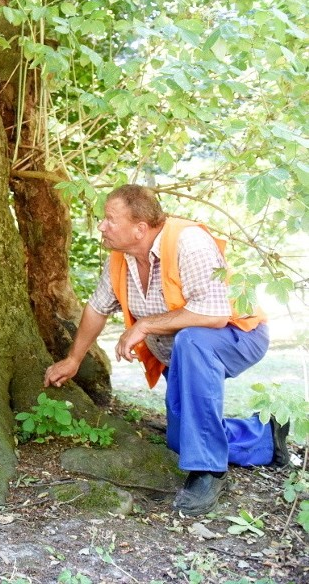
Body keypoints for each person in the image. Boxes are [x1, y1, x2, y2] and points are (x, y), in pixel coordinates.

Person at [44, 185, 290, 516]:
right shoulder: (121, 258)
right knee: (179, 441)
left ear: (140, 228)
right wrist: (74, 359)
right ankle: (263, 437)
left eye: (110, 219)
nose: (101, 226)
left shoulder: (189, 243)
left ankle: (209, 471)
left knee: (192, 339)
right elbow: (97, 309)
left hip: (237, 336)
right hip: (183, 354)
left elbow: (215, 315)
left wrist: (143, 326)